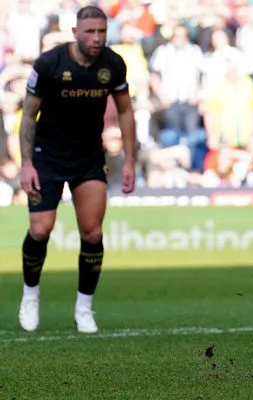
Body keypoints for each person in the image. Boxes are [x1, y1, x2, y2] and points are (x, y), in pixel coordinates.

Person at [17, 6, 136, 334]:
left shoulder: (113, 64)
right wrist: (26, 164)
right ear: (75, 33)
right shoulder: (50, 64)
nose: (97, 38)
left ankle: (84, 307)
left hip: (88, 157)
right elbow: (28, 116)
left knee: (92, 232)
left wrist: (129, 160)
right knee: (40, 230)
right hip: (47, 156)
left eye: (102, 32)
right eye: (90, 32)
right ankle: (30, 294)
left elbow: (126, 112)